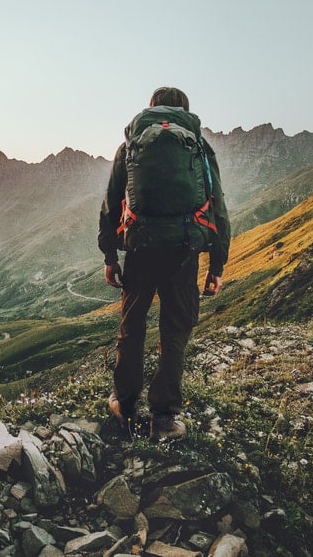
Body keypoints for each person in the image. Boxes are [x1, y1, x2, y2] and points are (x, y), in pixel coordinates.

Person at [97, 86, 230, 442]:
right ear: (186, 111)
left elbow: (111, 205)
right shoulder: (200, 148)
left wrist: (110, 256)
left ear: (151, 109)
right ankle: (164, 418)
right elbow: (218, 208)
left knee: (132, 328)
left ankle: (124, 405)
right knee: (175, 333)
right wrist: (217, 265)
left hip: (140, 249)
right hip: (184, 253)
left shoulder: (131, 147)